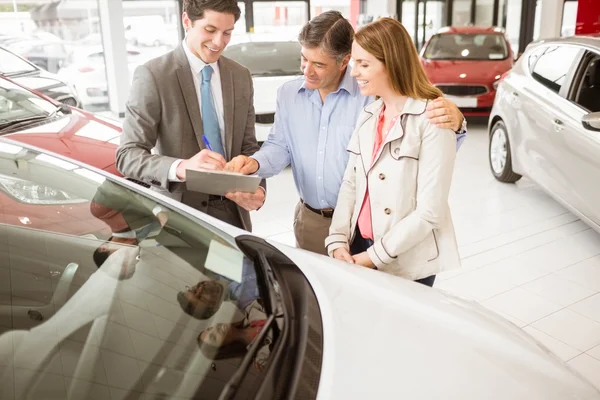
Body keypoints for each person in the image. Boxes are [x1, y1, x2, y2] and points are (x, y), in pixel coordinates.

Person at [226, 11, 466, 255]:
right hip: (313, 221)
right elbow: (280, 146)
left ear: (344, 61)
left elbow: (422, 148)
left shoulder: (371, 94)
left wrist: (456, 123)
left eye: (319, 64)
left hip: (368, 222)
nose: (307, 71)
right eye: (304, 59)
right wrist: (254, 163)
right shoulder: (288, 94)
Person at [325, 18, 462, 287]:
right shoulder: (368, 115)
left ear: (392, 64)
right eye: (355, 63)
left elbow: (430, 212)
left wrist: (374, 256)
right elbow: (350, 185)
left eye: (364, 65)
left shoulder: (433, 118)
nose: (354, 73)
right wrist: (338, 240)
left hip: (404, 259)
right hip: (358, 245)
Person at [116, 0, 265, 232]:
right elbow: (128, 155)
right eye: (210, 30)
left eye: (227, 33)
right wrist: (181, 167)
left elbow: (249, 147)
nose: (219, 42)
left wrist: (259, 188)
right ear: (187, 21)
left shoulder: (240, 76)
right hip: (178, 217)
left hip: (234, 215)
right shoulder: (153, 75)